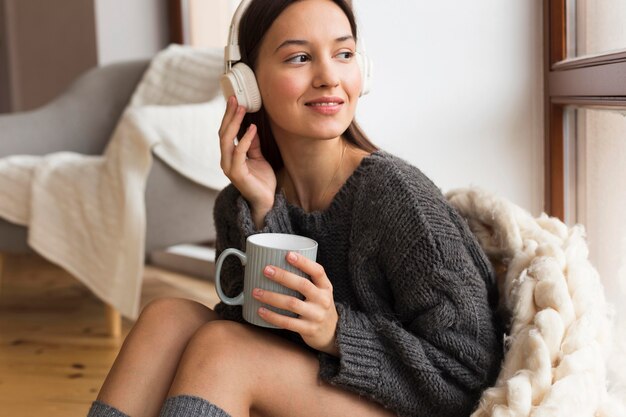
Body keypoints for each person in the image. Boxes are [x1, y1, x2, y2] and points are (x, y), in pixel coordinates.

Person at [87, 0, 503, 416]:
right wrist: (265, 211)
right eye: (300, 57)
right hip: (319, 389)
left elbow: (466, 377)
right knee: (167, 319)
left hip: (414, 405)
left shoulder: (398, 196)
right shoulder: (240, 203)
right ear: (246, 85)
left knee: (225, 351)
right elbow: (257, 336)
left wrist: (338, 334)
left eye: (343, 54)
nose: (328, 78)